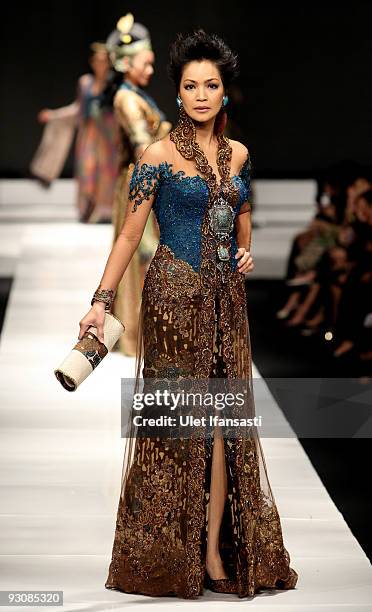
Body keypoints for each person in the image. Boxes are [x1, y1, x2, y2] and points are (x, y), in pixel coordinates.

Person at [78, 29, 298, 599]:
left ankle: (209, 552)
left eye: (212, 85)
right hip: (174, 298)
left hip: (226, 299)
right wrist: (100, 303)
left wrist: (243, 251)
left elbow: (240, 215)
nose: (201, 95)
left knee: (223, 425)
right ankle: (166, 550)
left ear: (224, 93)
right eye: (190, 86)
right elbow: (130, 232)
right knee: (178, 425)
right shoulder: (157, 154)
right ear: (178, 94)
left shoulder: (240, 155)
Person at [106, 14, 171, 355]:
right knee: (146, 254)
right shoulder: (127, 99)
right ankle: (146, 332)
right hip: (141, 181)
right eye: (146, 63)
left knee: (148, 253)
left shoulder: (132, 94)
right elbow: (143, 146)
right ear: (127, 62)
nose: (150, 69)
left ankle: (145, 330)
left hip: (140, 177)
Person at [31, 42, 120, 223]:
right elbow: (78, 108)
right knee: (87, 169)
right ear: (92, 62)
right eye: (97, 60)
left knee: (106, 171)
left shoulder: (113, 84)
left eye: (104, 61)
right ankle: (88, 206)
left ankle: (104, 209)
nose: (100, 64)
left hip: (108, 135)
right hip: (89, 134)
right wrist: (54, 115)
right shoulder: (85, 82)